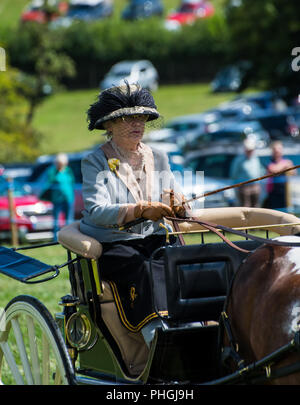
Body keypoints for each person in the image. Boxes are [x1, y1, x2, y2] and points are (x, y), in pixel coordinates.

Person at [79, 83, 190, 347]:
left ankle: (193, 324)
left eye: (140, 118)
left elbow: (177, 197)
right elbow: (96, 212)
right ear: (109, 126)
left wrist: (180, 207)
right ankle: (157, 336)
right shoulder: (94, 161)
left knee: (182, 261)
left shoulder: (159, 157)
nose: (136, 124)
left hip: (154, 239)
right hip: (115, 244)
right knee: (144, 268)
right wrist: (140, 210)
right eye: (127, 118)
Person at [41, 153, 75, 239]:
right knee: (56, 220)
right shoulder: (52, 171)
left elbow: (72, 182)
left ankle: (69, 237)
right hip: (57, 199)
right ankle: (55, 238)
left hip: (68, 198)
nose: (60, 166)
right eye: (58, 164)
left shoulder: (68, 170)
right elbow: (49, 182)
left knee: (68, 220)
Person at [229, 138, 265, 207]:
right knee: (245, 209)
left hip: (256, 186)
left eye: (251, 150)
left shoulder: (255, 158)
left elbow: (261, 170)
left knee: (256, 208)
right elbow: (233, 175)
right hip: (244, 188)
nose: (250, 152)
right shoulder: (239, 160)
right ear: (245, 150)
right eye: (248, 150)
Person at [264, 141, 296, 210]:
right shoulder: (269, 161)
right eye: (276, 149)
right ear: (272, 151)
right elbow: (273, 170)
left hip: (286, 192)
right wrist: (285, 165)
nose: (277, 151)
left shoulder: (286, 161)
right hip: (273, 192)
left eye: (279, 149)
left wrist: (286, 166)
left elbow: (293, 172)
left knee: (286, 212)